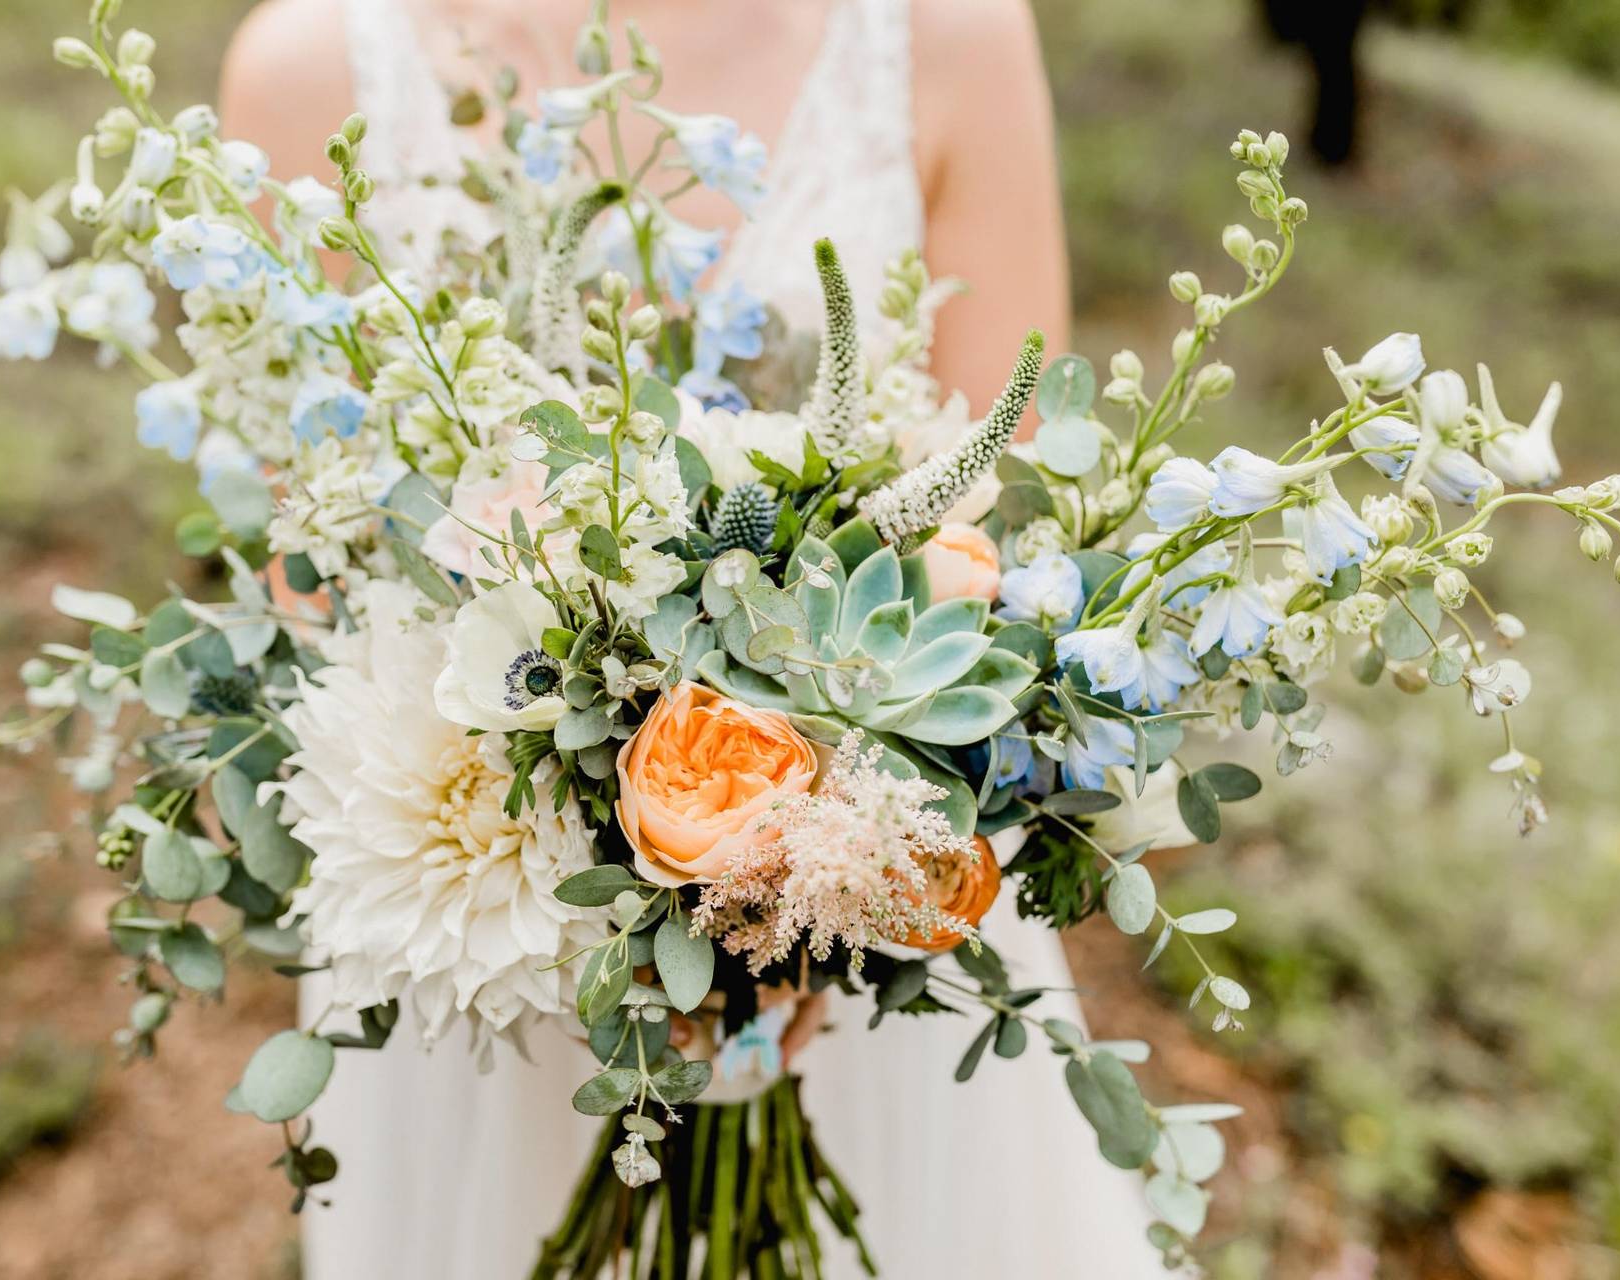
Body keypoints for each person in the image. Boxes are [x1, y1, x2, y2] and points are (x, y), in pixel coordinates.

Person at [220, 1, 1166, 1274]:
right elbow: (316, 582)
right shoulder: (308, 69)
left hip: (863, 910)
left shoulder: (949, 36)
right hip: (474, 930)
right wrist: (585, 867)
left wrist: (798, 900)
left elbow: (1012, 545)